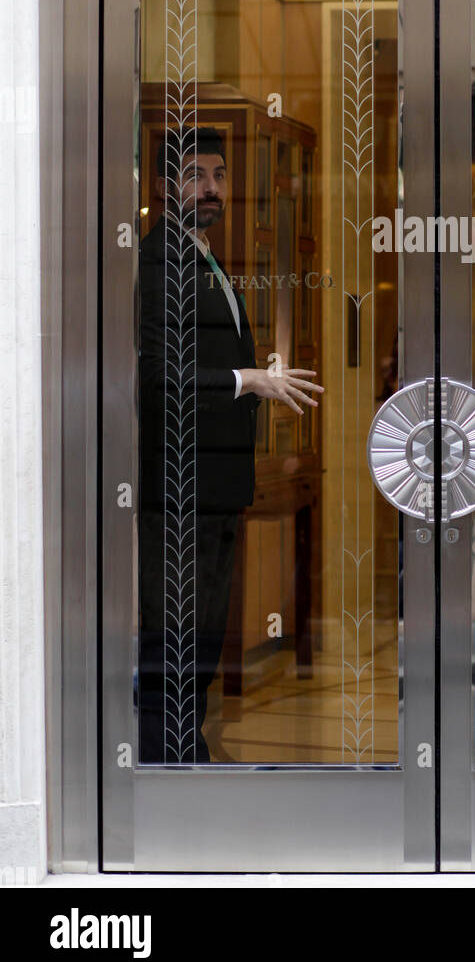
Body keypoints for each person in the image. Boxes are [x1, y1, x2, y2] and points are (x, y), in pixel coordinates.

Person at [138, 125, 322, 763]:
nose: (211, 189)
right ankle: (165, 762)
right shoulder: (159, 261)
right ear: (164, 188)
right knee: (173, 635)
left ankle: (188, 752)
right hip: (179, 484)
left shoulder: (205, 255)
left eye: (218, 175)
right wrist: (250, 380)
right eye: (194, 176)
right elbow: (157, 376)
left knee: (203, 633)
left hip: (216, 485)